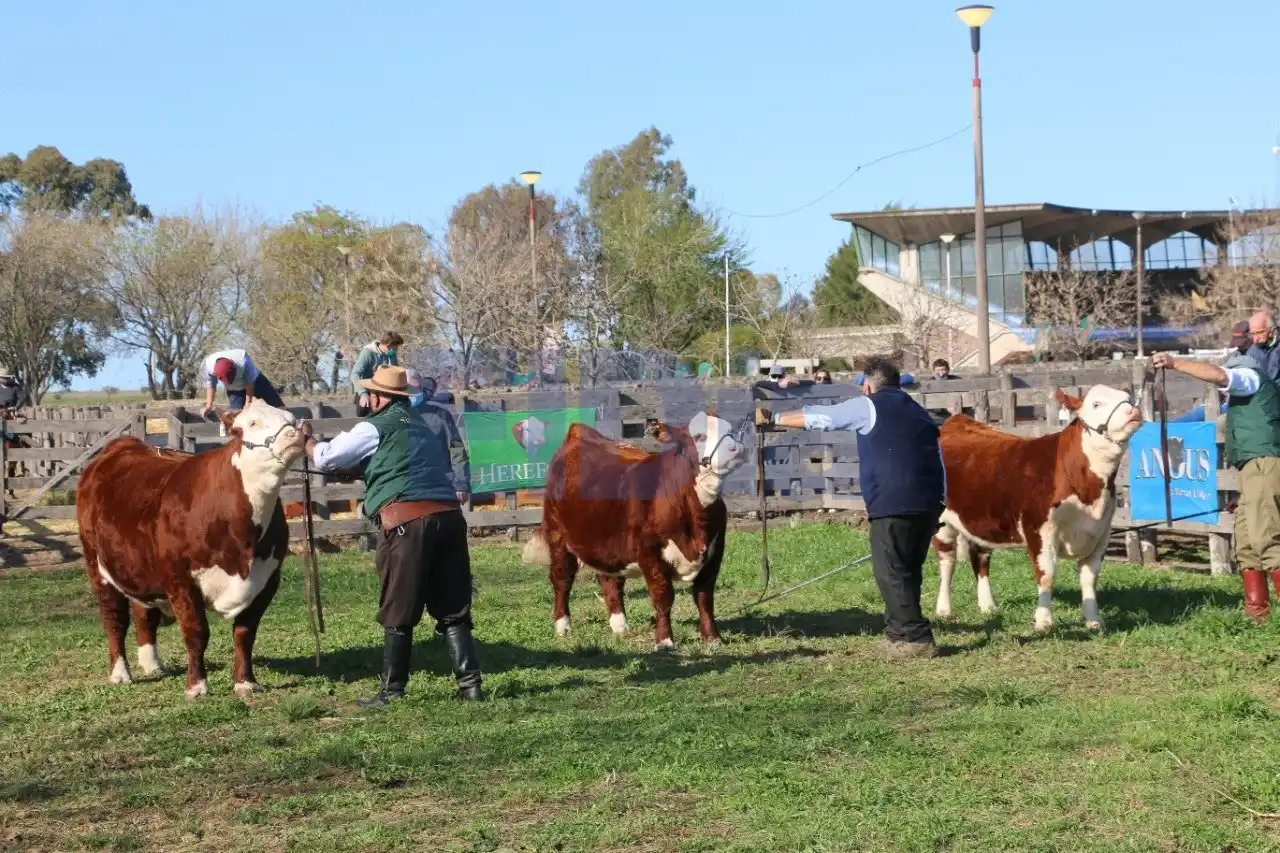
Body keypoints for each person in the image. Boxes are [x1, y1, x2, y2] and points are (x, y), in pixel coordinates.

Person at [305, 364, 484, 703]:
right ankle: (470, 687)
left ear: (378, 398)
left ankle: (392, 691)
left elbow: (326, 458)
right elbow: (407, 463)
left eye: (368, 393)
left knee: (398, 606)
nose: (365, 399)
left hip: (408, 522)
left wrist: (308, 440)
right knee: (453, 606)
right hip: (449, 517)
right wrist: (363, 469)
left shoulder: (375, 426)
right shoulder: (421, 423)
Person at [755, 356, 946, 658]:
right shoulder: (919, 412)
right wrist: (939, 502)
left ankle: (917, 638)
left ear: (868, 385)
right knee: (907, 569)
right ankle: (897, 633)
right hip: (927, 502)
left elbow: (823, 417)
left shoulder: (869, 405)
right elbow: (938, 456)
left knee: (891, 572)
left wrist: (773, 418)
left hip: (892, 500)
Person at [1153, 344, 1280, 623]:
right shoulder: (1247, 400)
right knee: (1246, 544)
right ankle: (1258, 616)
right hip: (1253, 471)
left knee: (1266, 539)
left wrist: (1176, 364)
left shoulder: (1251, 377)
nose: (1224, 392)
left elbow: (1220, 376)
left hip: (1263, 465)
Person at [200, 348, 285, 419]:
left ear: (234, 367)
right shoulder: (209, 366)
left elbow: (249, 385)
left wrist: (248, 404)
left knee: (280, 409)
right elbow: (211, 385)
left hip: (256, 381)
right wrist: (208, 405)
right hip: (235, 390)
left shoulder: (243, 360)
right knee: (237, 417)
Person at [352, 332, 404, 416]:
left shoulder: (392, 355)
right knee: (364, 407)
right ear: (388, 345)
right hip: (367, 388)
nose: (396, 350)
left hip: (384, 389)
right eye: (395, 347)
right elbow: (355, 374)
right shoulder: (367, 353)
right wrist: (363, 393)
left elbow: (395, 373)